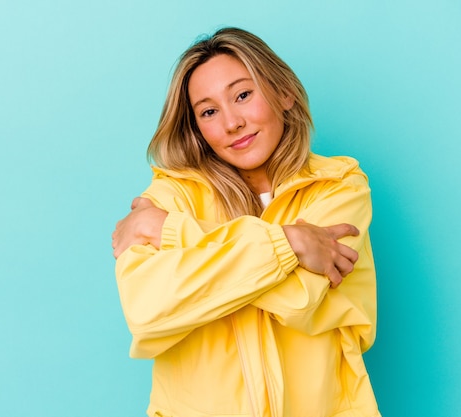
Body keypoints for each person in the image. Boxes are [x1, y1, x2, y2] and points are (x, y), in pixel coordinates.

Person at [111, 27, 380, 417]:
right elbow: (147, 311)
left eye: (242, 95)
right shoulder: (172, 195)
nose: (232, 123)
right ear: (197, 129)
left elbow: (301, 299)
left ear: (283, 93)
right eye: (208, 111)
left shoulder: (338, 188)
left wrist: (172, 232)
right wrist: (290, 244)